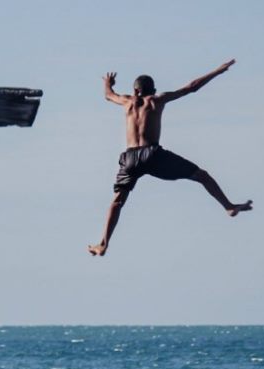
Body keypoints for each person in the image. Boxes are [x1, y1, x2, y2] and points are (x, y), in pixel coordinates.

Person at [88, 59, 252, 257]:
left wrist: (108, 82)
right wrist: (217, 71)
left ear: (135, 90)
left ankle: (103, 243)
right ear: (153, 89)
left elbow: (108, 95)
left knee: (117, 201)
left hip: (130, 157)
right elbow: (191, 87)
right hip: (153, 154)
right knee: (202, 176)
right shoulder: (157, 99)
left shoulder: (126, 101)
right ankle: (228, 206)